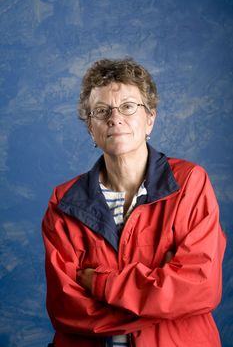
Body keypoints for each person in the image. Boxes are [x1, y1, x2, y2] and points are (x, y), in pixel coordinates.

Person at [42, 58, 226, 347]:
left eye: (128, 106)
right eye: (102, 111)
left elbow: (200, 288)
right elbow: (66, 309)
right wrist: (162, 297)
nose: (115, 118)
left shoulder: (189, 183)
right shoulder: (63, 202)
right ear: (91, 127)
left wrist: (98, 282)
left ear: (150, 118)